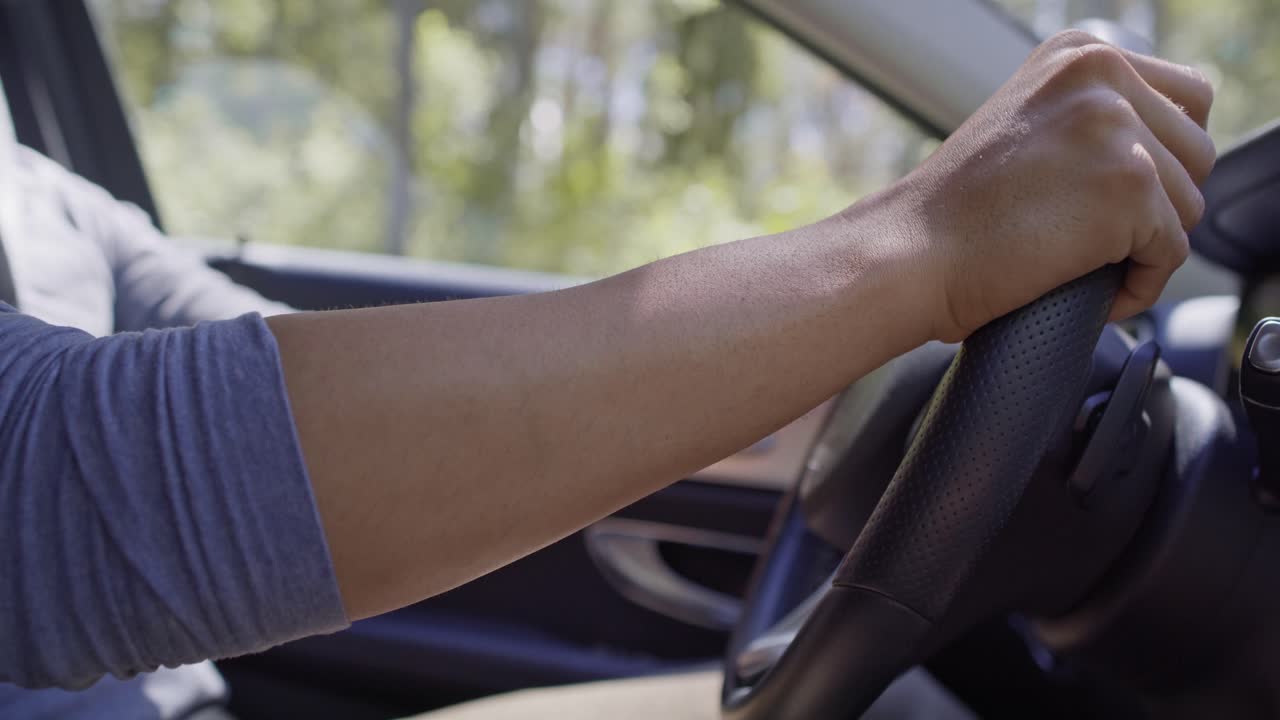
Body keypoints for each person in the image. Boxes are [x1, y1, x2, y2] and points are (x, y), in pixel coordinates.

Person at [0, 31, 1214, 719]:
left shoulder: (40, 195)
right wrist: (916, 245)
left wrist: (846, 351)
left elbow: (311, 386)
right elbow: (64, 486)